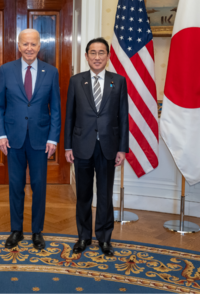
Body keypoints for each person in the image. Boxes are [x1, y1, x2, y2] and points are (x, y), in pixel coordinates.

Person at [0, 29, 61, 250]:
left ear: (40, 46)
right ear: (18, 46)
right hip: (13, 139)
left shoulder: (51, 72)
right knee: (15, 185)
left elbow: (56, 110)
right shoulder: (6, 70)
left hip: (41, 140)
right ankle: (16, 230)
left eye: (33, 44)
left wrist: (53, 138)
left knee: (39, 186)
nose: (29, 48)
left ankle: (37, 231)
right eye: (25, 44)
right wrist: (1, 135)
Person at [64, 37, 129, 257]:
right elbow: (69, 117)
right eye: (93, 52)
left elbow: (123, 118)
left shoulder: (118, 81)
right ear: (86, 56)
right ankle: (84, 236)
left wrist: (122, 149)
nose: (97, 57)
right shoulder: (76, 81)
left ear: (108, 56)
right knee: (83, 195)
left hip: (108, 147)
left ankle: (104, 238)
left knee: (104, 195)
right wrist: (67, 147)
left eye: (101, 52)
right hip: (82, 146)